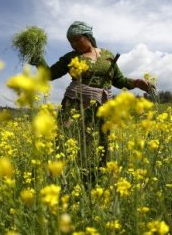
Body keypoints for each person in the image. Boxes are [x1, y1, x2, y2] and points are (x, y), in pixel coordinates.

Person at [31, 21, 150, 184]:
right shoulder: (72, 58)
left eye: (76, 39)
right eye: (70, 42)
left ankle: (95, 182)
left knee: (100, 145)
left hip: (102, 108)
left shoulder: (107, 55)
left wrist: (135, 83)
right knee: (67, 142)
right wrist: (37, 58)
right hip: (75, 106)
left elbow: (119, 80)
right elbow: (49, 74)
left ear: (87, 36)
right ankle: (60, 183)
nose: (73, 45)